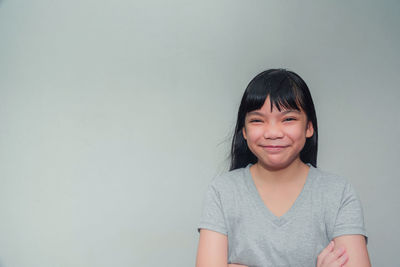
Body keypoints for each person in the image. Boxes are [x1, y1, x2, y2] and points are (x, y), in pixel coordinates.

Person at [195, 69, 371, 267]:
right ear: (244, 131)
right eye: (257, 120)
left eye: (288, 119)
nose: (272, 133)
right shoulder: (222, 191)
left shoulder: (338, 193)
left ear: (309, 127)